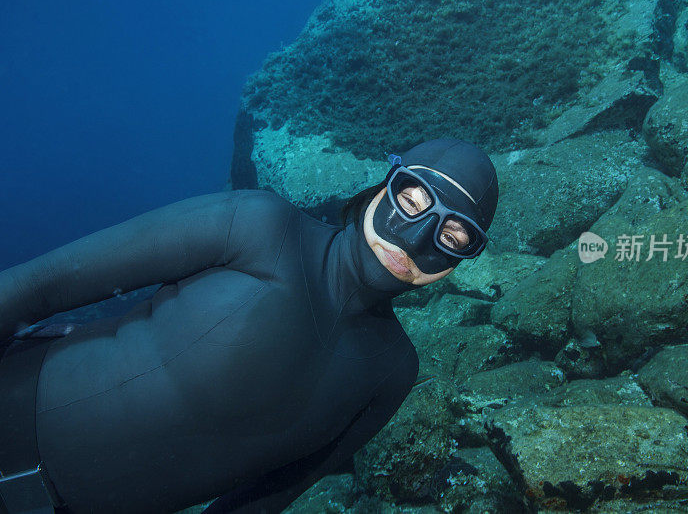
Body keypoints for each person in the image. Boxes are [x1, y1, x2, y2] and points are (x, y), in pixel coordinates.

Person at [0, 138, 499, 513]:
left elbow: (276, 491)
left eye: (453, 235)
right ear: (382, 187)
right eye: (411, 202)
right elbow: (41, 284)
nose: (415, 239)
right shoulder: (259, 226)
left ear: (461, 261)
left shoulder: (393, 371)